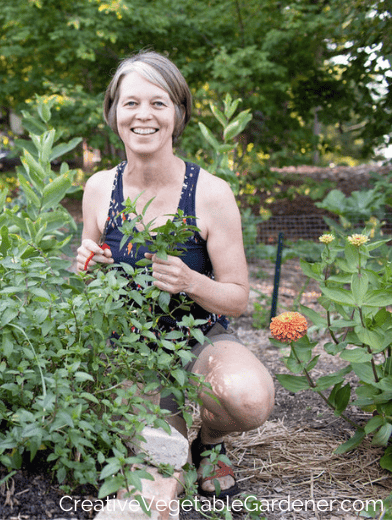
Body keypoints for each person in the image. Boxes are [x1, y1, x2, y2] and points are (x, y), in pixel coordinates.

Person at [75, 50, 274, 498]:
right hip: (129, 349)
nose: (143, 115)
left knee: (247, 398)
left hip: (200, 338)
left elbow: (239, 298)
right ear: (113, 113)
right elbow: (89, 272)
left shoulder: (211, 193)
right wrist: (87, 263)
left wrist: (191, 282)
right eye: (131, 103)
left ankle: (211, 443)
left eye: (159, 102)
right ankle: (175, 438)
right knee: (163, 453)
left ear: (178, 114)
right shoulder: (100, 188)